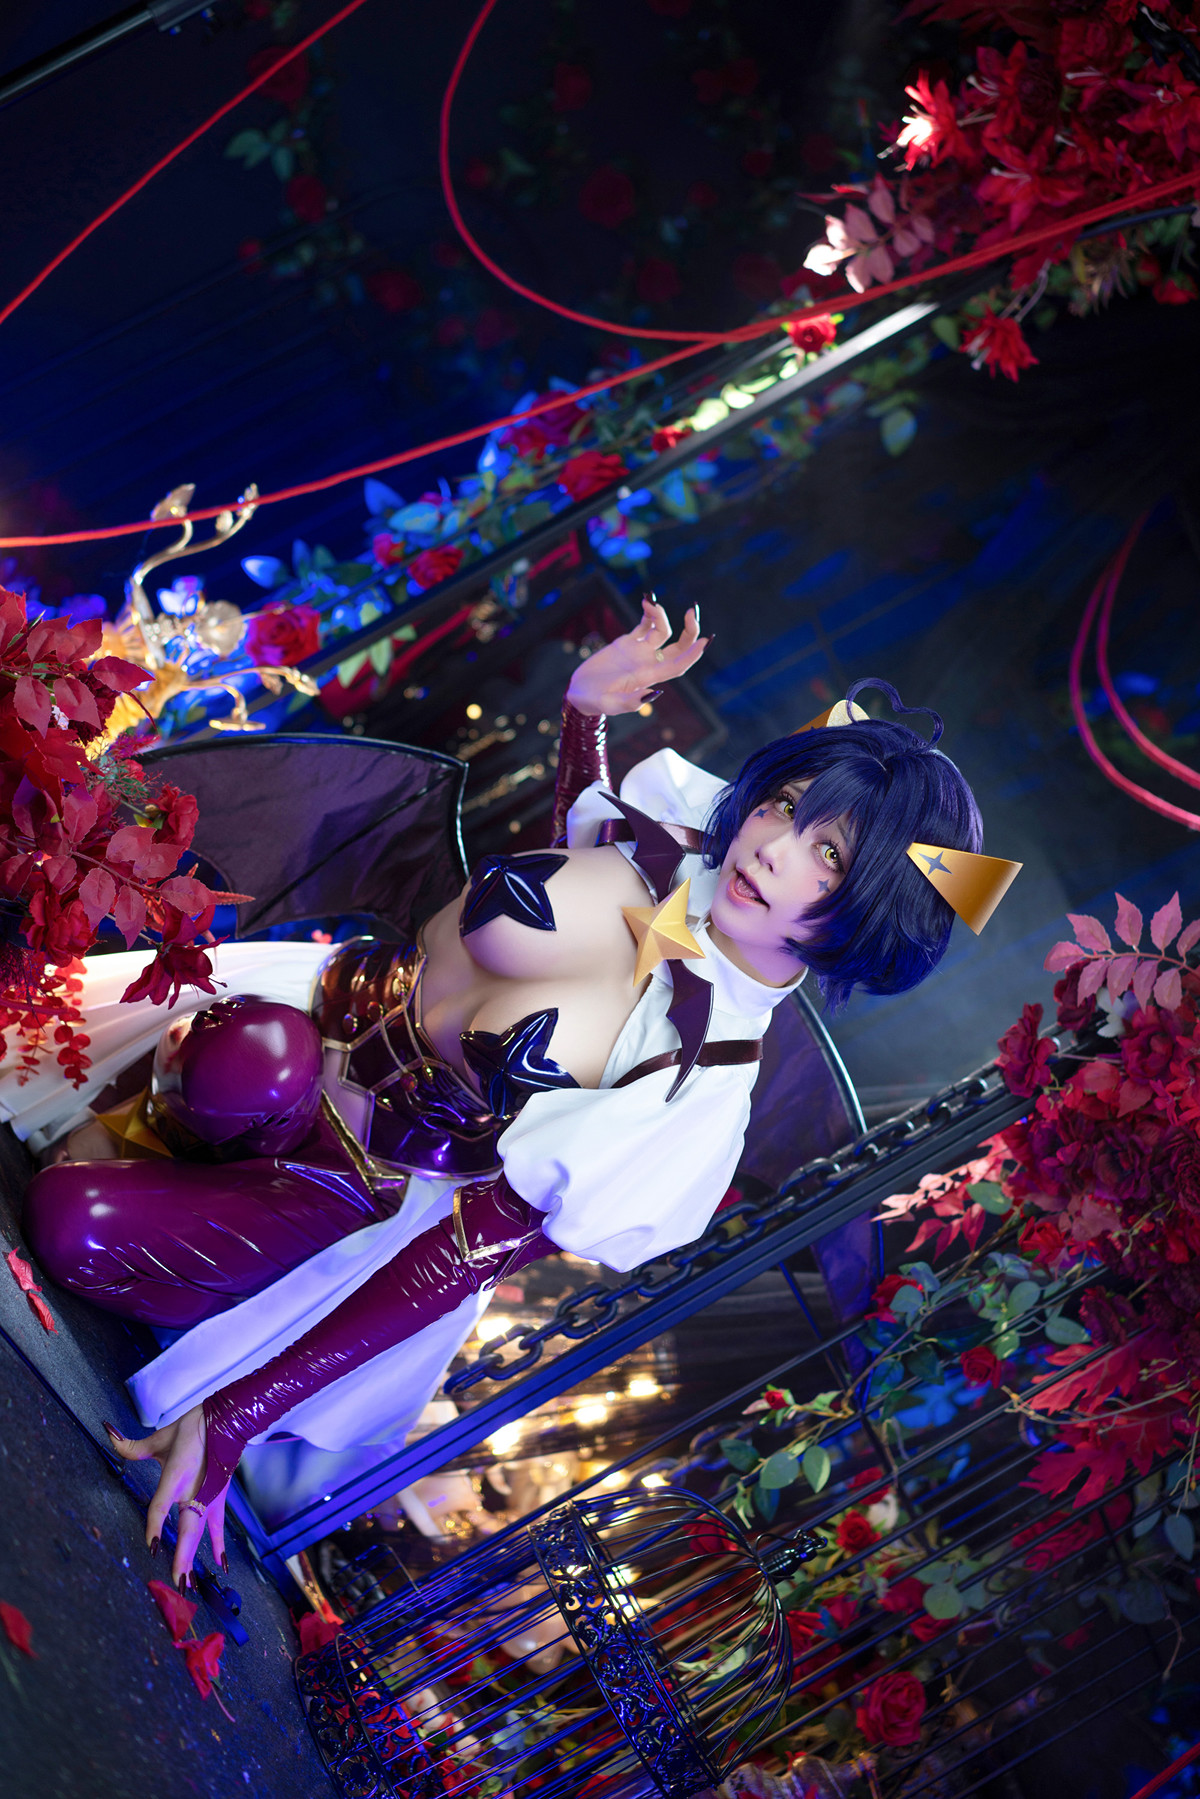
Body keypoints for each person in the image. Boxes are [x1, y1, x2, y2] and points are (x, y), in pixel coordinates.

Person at [14, 599, 1014, 1590]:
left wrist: (232, 1413)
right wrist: (585, 713)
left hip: (346, 1185)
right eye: (787, 806)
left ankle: (148, 1189)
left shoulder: (697, 1083)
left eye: (829, 854)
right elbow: (574, 861)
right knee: (250, 1055)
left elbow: (457, 1260)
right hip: (291, 1017)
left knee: (67, 1218)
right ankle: (137, 1130)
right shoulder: (665, 839)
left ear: (869, 914)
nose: (776, 847)